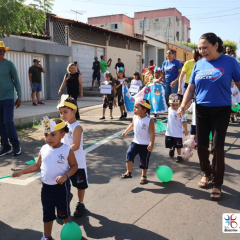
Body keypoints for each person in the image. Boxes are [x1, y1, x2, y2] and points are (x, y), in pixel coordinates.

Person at [177, 32, 240, 201]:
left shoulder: (231, 62)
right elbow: (190, 88)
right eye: (199, 48)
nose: (201, 51)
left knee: (217, 147)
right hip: (201, 110)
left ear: (216, 46)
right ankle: (207, 172)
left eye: (205, 47)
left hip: (222, 110)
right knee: (202, 145)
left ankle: (217, 184)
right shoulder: (199, 65)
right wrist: (183, 106)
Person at [12, 118, 78, 240]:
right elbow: (37, 165)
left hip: (61, 188)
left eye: (53, 135)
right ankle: (47, 236)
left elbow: (74, 166)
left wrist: (66, 175)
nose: (49, 138)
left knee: (64, 212)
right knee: (47, 214)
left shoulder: (66, 150)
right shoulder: (43, 149)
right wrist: (21, 172)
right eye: (46, 135)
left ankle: (69, 232)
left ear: (62, 135)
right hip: (46, 189)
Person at [58, 95, 88, 217]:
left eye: (65, 112)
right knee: (63, 182)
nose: (62, 115)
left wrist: (61, 150)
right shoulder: (63, 126)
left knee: (80, 185)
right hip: (65, 162)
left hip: (77, 163)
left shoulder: (77, 127)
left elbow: (75, 146)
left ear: (73, 111)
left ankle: (80, 203)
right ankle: (67, 197)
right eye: (60, 112)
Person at [121, 99, 155, 184]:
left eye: (136, 107)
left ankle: (143, 176)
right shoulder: (135, 117)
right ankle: (129, 172)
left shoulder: (149, 120)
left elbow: (152, 133)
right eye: (134, 107)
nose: (134, 109)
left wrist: (151, 144)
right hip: (135, 142)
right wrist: (126, 131)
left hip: (145, 145)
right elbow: (132, 125)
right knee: (129, 154)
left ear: (144, 110)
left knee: (144, 160)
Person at [0, 41, 22, 157]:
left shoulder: (9, 64)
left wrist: (19, 97)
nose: (2, 53)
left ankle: (16, 145)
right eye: (0, 51)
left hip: (8, 97)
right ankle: (5, 146)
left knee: (8, 121)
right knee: (1, 124)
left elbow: (16, 81)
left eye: (3, 51)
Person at [165, 94, 187, 163]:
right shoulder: (169, 109)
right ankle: (171, 149)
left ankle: (179, 156)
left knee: (178, 146)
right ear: (169, 103)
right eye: (173, 105)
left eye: (176, 105)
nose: (175, 107)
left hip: (178, 133)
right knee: (169, 145)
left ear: (179, 103)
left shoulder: (181, 112)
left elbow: (184, 121)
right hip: (169, 132)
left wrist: (185, 129)